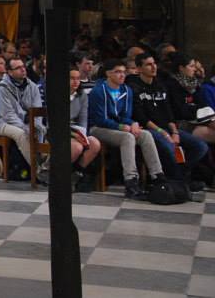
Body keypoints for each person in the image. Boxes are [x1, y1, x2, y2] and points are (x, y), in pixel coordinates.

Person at [89, 59, 165, 198]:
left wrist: (132, 123)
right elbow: (100, 120)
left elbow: (125, 115)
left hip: (118, 127)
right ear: (108, 74)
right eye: (117, 72)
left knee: (146, 135)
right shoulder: (98, 91)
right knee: (127, 137)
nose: (122, 75)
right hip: (98, 129)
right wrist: (121, 127)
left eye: (124, 72)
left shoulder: (127, 90)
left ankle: (157, 176)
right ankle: (131, 181)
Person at [129, 53, 209, 183]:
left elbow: (168, 112)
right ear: (139, 68)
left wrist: (174, 132)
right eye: (148, 64)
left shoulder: (160, 86)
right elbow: (140, 116)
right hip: (150, 129)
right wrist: (163, 132)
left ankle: (180, 175)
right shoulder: (134, 87)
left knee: (200, 146)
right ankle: (179, 180)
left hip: (167, 127)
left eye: (154, 63)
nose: (153, 67)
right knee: (169, 147)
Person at [0, 58, 45, 178]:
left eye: (23, 66)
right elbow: (8, 115)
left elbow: (37, 111)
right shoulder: (2, 89)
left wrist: (35, 125)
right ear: (9, 72)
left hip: (26, 121)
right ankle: (38, 170)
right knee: (21, 134)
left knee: (42, 128)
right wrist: (27, 128)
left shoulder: (33, 87)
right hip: (1, 122)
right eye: (18, 68)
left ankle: (46, 165)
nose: (23, 69)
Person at [67, 68, 102, 191]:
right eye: (72, 78)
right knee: (77, 147)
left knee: (94, 143)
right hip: (59, 131)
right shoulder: (56, 96)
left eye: (77, 78)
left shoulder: (82, 96)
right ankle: (60, 174)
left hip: (77, 130)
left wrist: (82, 135)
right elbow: (54, 123)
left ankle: (76, 173)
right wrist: (74, 135)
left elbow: (83, 119)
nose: (75, 81)